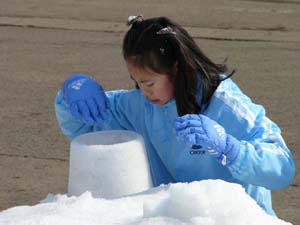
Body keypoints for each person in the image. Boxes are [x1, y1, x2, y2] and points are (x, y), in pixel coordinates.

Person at [55, 15, 295, 216]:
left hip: (235, 217)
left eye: (148, 82)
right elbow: (88, 127)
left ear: (176, 69)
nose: (143, 91)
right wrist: (71, 93)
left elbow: (282, 167)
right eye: (136, 82)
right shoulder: (142, 105)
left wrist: (231, 149)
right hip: (179, 216)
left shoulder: (223, 103)